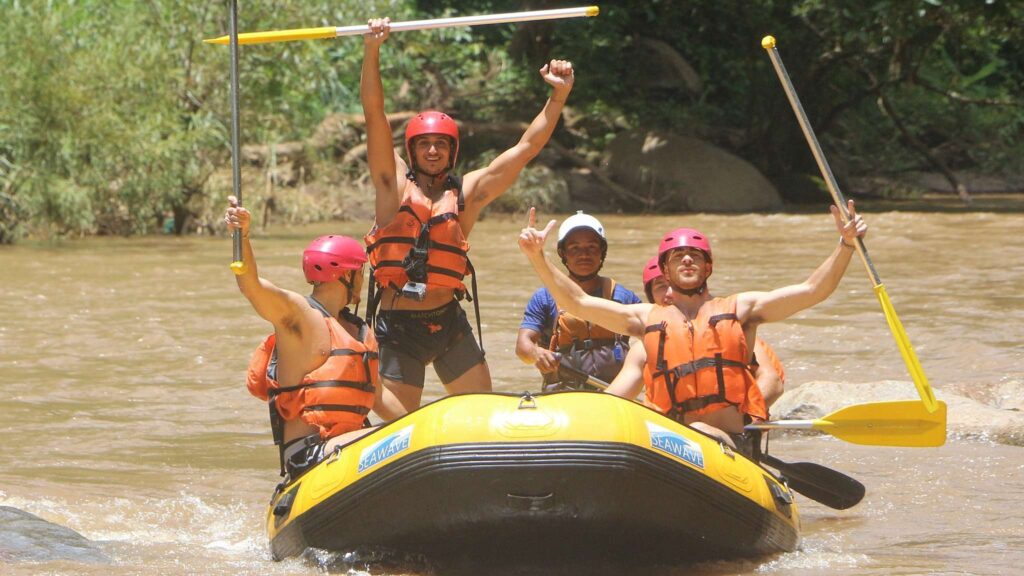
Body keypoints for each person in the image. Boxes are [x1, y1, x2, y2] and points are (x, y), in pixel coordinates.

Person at [518, 202, 867, 455]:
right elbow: (578, 301)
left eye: (695, 255)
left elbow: (811, 291)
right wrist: (537, 256)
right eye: (677, 257)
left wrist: (845, 246)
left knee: (698, 431)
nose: (687, 259)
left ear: (707, 267)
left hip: (727, 443)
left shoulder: (741, 309)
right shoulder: (646, 318)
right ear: (665, 271)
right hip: (670, 443)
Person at [360, 17, 576, 412]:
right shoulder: (392, 187)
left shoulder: (467, 194)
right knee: (400, 424)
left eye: (440, 145)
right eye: (424, 144)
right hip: (398, 327)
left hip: (448, 322)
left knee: (482, 416)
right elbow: (374, 115)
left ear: (452, 151)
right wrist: (372, 49)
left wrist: (558, 96)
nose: (432, 151)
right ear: (412, 151)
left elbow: (526, 148)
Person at [224, 197, 405, 479]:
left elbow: (380, 399)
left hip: (352, 452)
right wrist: (242, 236)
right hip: (309, 456)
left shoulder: (359, 332)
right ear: (346, 276)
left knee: (400, 439)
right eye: (359, 273)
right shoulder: (299, 317)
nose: (362, 281)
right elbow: (252, 286)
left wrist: (423, 427)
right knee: (392, 441)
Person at [608, 256, 786, 409]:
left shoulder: (730, 329)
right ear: (651, 298)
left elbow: (772, 382)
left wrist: (741, 417)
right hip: (671, 430)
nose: (670, 293)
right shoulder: (642, 349)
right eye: (661, 286)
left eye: (674, 285)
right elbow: (615, 397)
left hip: (731, 425)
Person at [516, 211, 641, 391]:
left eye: (592, 247)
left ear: (602, 252)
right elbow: (523, 346)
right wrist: (536, 353)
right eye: (575, 248)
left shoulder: (623, 297)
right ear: (563, 253)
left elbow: (652, 337)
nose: (584, 255)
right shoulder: (544, 298)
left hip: (615, 394)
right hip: (562, 394)